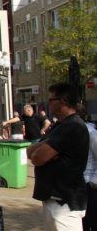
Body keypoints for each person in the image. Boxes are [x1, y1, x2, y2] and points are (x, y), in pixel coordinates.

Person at [28, 83, 89, 230]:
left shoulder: (73, 125)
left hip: (65, 203)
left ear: (62, 101)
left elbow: (38, 158)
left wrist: (44, 150)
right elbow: (30, 152)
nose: (48, 104)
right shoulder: (59, 125)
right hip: (54, 199)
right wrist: (47, 149)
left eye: (50, 100)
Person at [83, 107, 97, 230]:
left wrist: (94, 181)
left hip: (90, 184)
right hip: (76, 184)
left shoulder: (91, 133)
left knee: (91, 219)